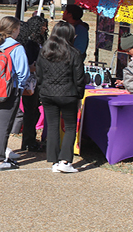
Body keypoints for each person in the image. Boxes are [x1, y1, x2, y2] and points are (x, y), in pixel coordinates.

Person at [36, 21, 85, 173]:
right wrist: (79, 96)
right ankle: (65, 161)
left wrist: (41, 90)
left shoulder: (44, 51)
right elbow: (79, 78)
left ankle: (54, 160)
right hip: (68, 94)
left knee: (52, 126)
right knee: (70, 127)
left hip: (48, 93)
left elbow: (39, 74)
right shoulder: (74, 53)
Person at [0, 16, 30, 171]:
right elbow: (23, 72)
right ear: (15, 30)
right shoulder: (17, 48)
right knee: (4, 126)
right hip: (9, 90)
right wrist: (22, 87)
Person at [16, 16, 48, 152]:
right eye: (43, 26)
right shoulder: (29, 43)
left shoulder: (40, 40)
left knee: (34, 111)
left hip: (37, 80)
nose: (45, 28)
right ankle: (28, 141)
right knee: (31, 111)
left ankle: (30, 139)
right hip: (30, 80)